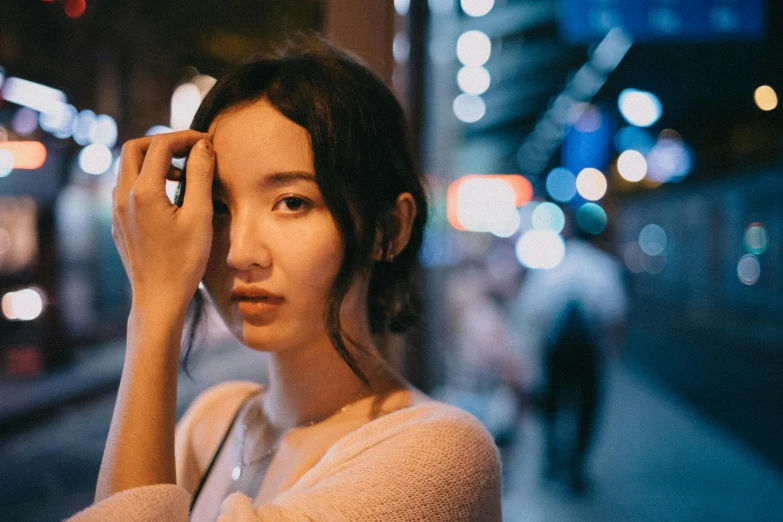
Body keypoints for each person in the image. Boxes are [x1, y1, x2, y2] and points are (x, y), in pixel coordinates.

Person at [67, 38, 501, 521]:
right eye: (218, 208)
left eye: (292, 202)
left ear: (388, 230)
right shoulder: (215, 422)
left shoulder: (441, 454)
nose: (240, 252)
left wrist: (153, 310)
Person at [511, 229, 627, 493]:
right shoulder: (604, 266)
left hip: (555, 352)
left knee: (552, 404)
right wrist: (611, 353)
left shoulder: (551, 267)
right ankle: (577, 465)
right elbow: (616, 315)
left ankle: (552, 461)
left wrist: (533, 353)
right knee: (587, 408)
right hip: (589, 353)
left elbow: (530, 312)